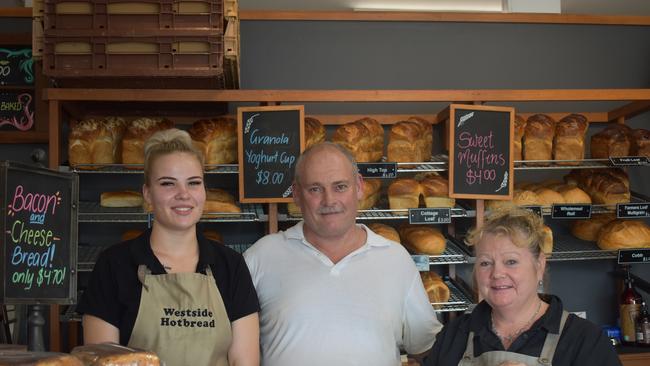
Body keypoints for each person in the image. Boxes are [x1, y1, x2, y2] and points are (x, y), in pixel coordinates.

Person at [244, 142, 441, 366]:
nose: (329, 201)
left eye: (340, 187)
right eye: (315, 189)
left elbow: (425, 347)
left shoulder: (395, 259)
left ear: (359, 187)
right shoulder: (261, 256)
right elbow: (231, 347)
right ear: (296, 194)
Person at [77, 128, 260, 366]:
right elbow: (103, 361)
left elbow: (244, 361)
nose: (183, 194)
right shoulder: (114, 265)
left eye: (193, 183)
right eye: (168, 184)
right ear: (148, 194)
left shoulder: (231, 266)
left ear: (204, 191)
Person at [424, 207, 622, 366]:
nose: (497, 273)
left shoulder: (584, 341)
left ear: (539, 265)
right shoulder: (453, 336)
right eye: (485, 263)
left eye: (511, 261)